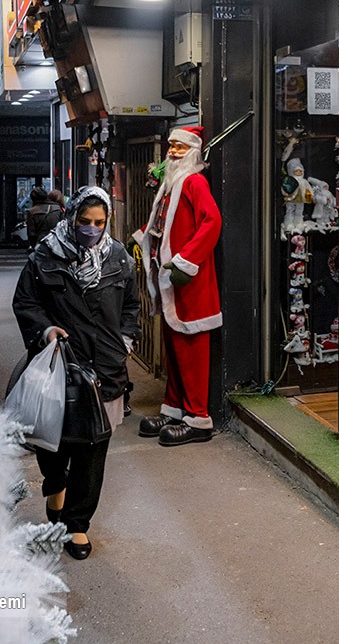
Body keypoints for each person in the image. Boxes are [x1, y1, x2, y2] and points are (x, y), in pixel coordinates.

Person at [12, 185, 140, 560]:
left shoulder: (118, 258)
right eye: (85, 221)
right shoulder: (46, 256)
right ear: (72, 217)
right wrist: (45, 330)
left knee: (93, 447)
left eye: (99, 222)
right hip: (60, 366)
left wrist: (125, 341)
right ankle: (55, 482)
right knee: (53, 439)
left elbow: (131, 306)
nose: (92, 229)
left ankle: (76, 524)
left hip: (105, 368)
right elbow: (26, 301)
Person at [135, 126, 222, 447]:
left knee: (191, 350)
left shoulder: (194, 182)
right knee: (173, 349)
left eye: (179, 147)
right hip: (170, 280)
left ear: (193, 151)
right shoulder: (173, 183)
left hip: (189, 282)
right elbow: (163, 223)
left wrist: (187, 260)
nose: (172, 152)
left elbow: (212, 221)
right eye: (171, 146)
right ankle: (174, 409)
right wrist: (142, 239)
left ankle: (198, 417)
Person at [26, 185, 63, 250]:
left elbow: (31, 234)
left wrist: (34, 245)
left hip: (40, 244)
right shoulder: (57, 208)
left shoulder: (32, 212)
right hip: (56, 244)